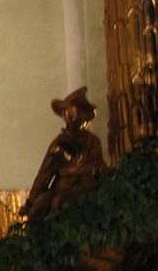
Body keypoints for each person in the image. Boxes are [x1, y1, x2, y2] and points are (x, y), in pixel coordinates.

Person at [20, 87, 106, 222]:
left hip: (85, 191)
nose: (71, 117)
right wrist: (31, 201)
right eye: (68, 113)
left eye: (74, 113)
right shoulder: (59, 142)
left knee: (59, 203)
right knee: (39, 207)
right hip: (61, 189)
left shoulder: (92, 141)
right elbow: (44, 174)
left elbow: (100, 168)